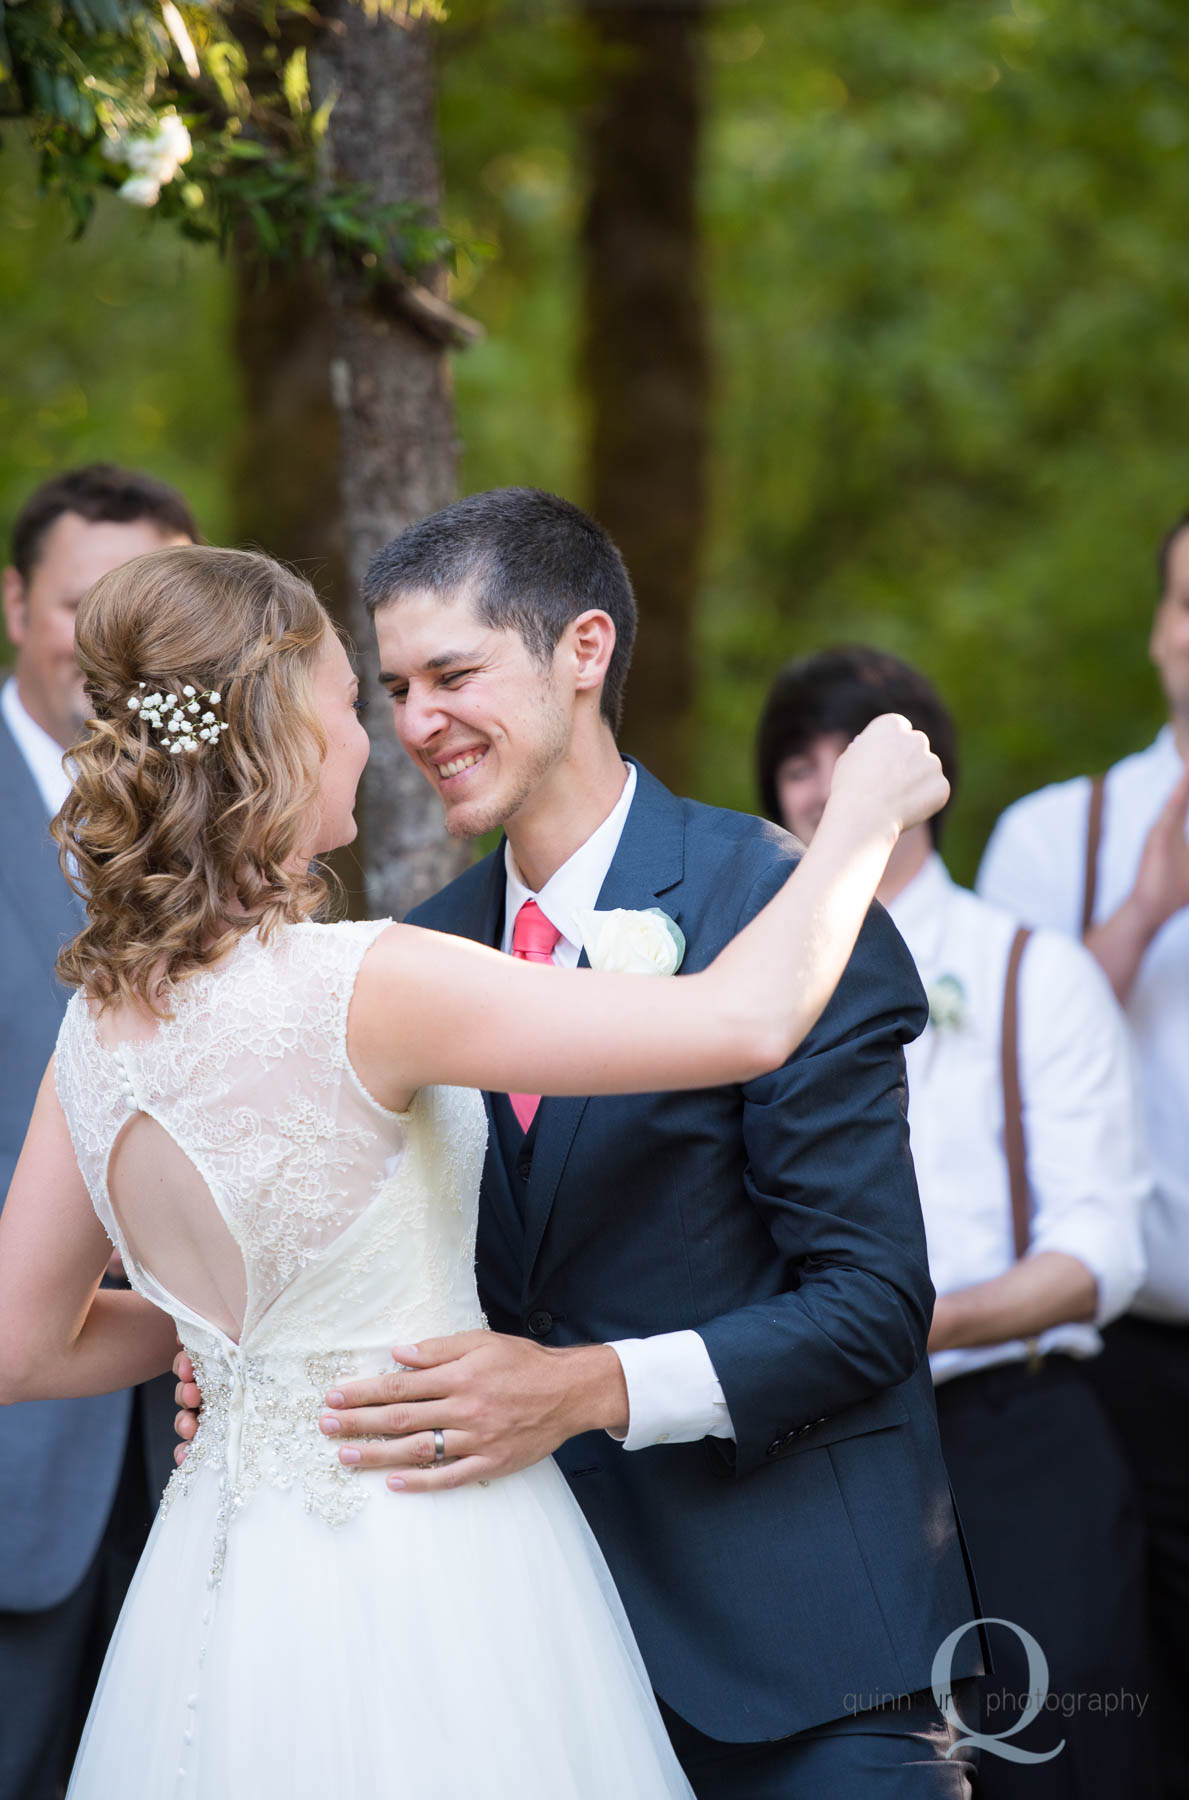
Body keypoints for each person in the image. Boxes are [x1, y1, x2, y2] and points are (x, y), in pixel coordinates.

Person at [0, 542, 949, 1799]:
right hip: (438, 1577)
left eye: (429, 680)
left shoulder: (100, 1025)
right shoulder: (375, 974)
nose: (383, 734)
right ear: (282, 729)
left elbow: (21, 1348)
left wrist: (244, 1349)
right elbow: (741, 1021)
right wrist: (862, 821)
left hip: (236, 1596)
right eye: (359, 696)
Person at [756, 644, 1152, 1796]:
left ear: (930, 769)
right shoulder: (741, 985)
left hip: (1013, 1433)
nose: (827, 784)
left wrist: (888, 1327)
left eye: (857, 749)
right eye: (795, 762)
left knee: (1061, 1750)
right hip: (817, 1457)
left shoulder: (1034, 971)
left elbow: (1099, 1256)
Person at [977, 504, 1189, 1800]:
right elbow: (991, 1087)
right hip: (1122, 1366)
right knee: (1136, 1713)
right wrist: (1142, 912)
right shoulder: (1051, 835)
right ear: (1157, 628)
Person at [0, 465, 197, 1800]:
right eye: (85, 605)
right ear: (17, 603)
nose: (114, 645)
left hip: (195, 1459)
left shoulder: (218, 830)